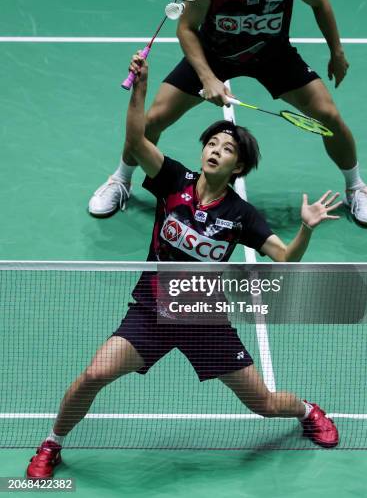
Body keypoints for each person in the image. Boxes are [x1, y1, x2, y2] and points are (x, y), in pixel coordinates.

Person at [27, 55, 341, 479]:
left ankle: (307, 410)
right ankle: (52, 444)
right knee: (93, 374)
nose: (216, 150)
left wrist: (306, 230)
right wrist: (141, 88)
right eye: (213, 143)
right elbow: (138, 142)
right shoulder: (174, 180)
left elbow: (285, 259)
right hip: (151, 312)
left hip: (203, 319)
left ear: (240, 167)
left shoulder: (242, 215)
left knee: (264, 404)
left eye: (228, 149)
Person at [89, 0, 367, 228]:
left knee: (329, 116)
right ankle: (120, 180)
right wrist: (207, 77)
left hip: (273, 56)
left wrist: (336, 52)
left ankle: (356, 188)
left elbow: (320, 2)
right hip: (213, 55)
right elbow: (186, 28)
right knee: (154, 119)